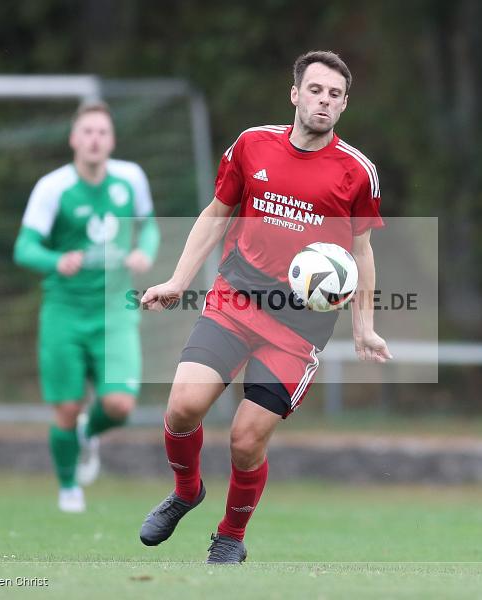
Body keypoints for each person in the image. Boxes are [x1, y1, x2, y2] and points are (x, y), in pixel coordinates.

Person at [139, 50, 391, 562]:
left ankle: (230, 536)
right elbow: (215, 216)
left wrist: (365, 327)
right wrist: (176, 281)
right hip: (234, 299)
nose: (324, 101)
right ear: (295, 93)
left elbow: (362, 252)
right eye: (316, 90)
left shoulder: (357, 173)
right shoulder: (252, 145)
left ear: (344, 105)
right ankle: (187, 491)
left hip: (300, 326)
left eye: (335, 95)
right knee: (183, 406)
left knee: (245, 439)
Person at [13, 100, 159, 512]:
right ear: (74, 139)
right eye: (87, 132)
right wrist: (56, 260)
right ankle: (68, 488)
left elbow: (147, 226)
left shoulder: (131, 179)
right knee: (66, 408)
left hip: (115, 312)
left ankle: (88, 434)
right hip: (64, 312)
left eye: (102, 132)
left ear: (111, 140)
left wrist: (145, 252)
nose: (95, 140)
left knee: (119, 405)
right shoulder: (53, 187)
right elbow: (23, 248)